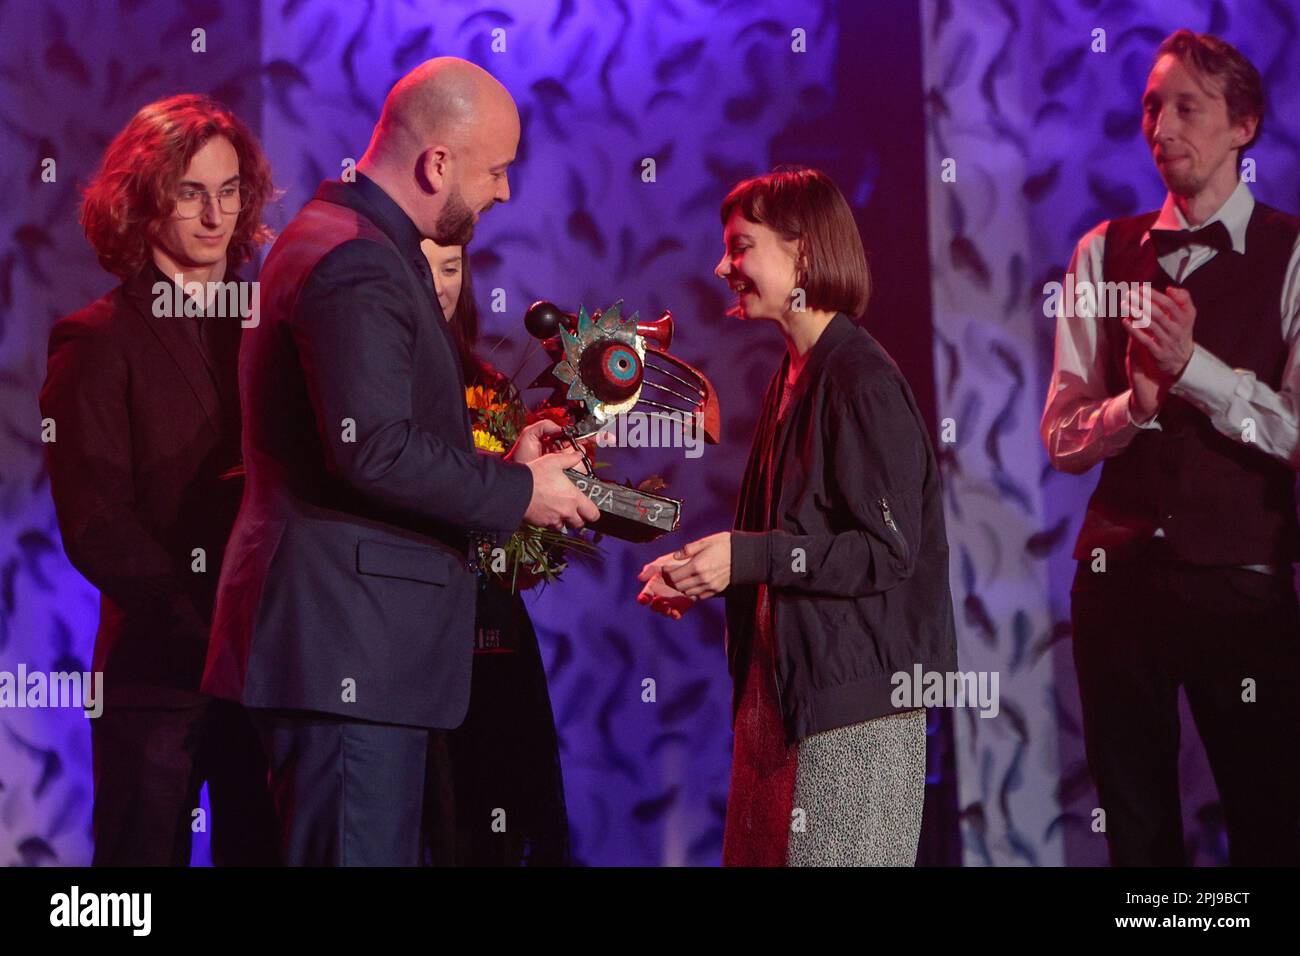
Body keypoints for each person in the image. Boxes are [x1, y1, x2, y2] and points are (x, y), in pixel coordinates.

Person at [201, 57, 598, 866]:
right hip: (347, 651)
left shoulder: (348, 240)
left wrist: (513, 456)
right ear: (437, 163)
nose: (504, 193)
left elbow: (374, 432)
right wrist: (520, 490)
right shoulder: (357, 258)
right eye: (496, 170)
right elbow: (371, 448)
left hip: (356, 654)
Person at [637, 166, 957, 866]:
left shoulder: (859, 380)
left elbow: (886, 552)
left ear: (803, 253)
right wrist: (706, 570)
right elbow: (795, 544)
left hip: (850, 718)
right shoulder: (794, 376)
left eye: (741, 246)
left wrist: (745, 557)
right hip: (780, 708)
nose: (723, 266)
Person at [1041, 29, 1300, 866]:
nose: (1161, 125)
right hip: (1118, 587)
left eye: (1188, 106)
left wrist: (1197, 372)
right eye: (1154, 106)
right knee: (1138, 832)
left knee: (1271, 819)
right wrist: (1136, 406)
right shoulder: (1100, 252)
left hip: (1243, 587)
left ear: (1244, 126)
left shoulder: (1292, 253)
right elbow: (1063, 436)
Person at [39, 94, 279, 866]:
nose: (215, 214)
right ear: (143, 200)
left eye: (230, 189)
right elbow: (97, 523)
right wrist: (202, 622)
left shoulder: (271, 326)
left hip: (264, 671)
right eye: (190, 192)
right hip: (156, 675)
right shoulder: (97, 339)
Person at [419, 238, 571, 866]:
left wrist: (550, 508)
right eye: (421, 268)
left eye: (451, 268)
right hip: (410, 644)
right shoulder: (376, 395)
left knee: (496, 834)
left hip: (494, 645)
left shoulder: (490, 390)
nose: (439, 285)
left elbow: (527, 550)